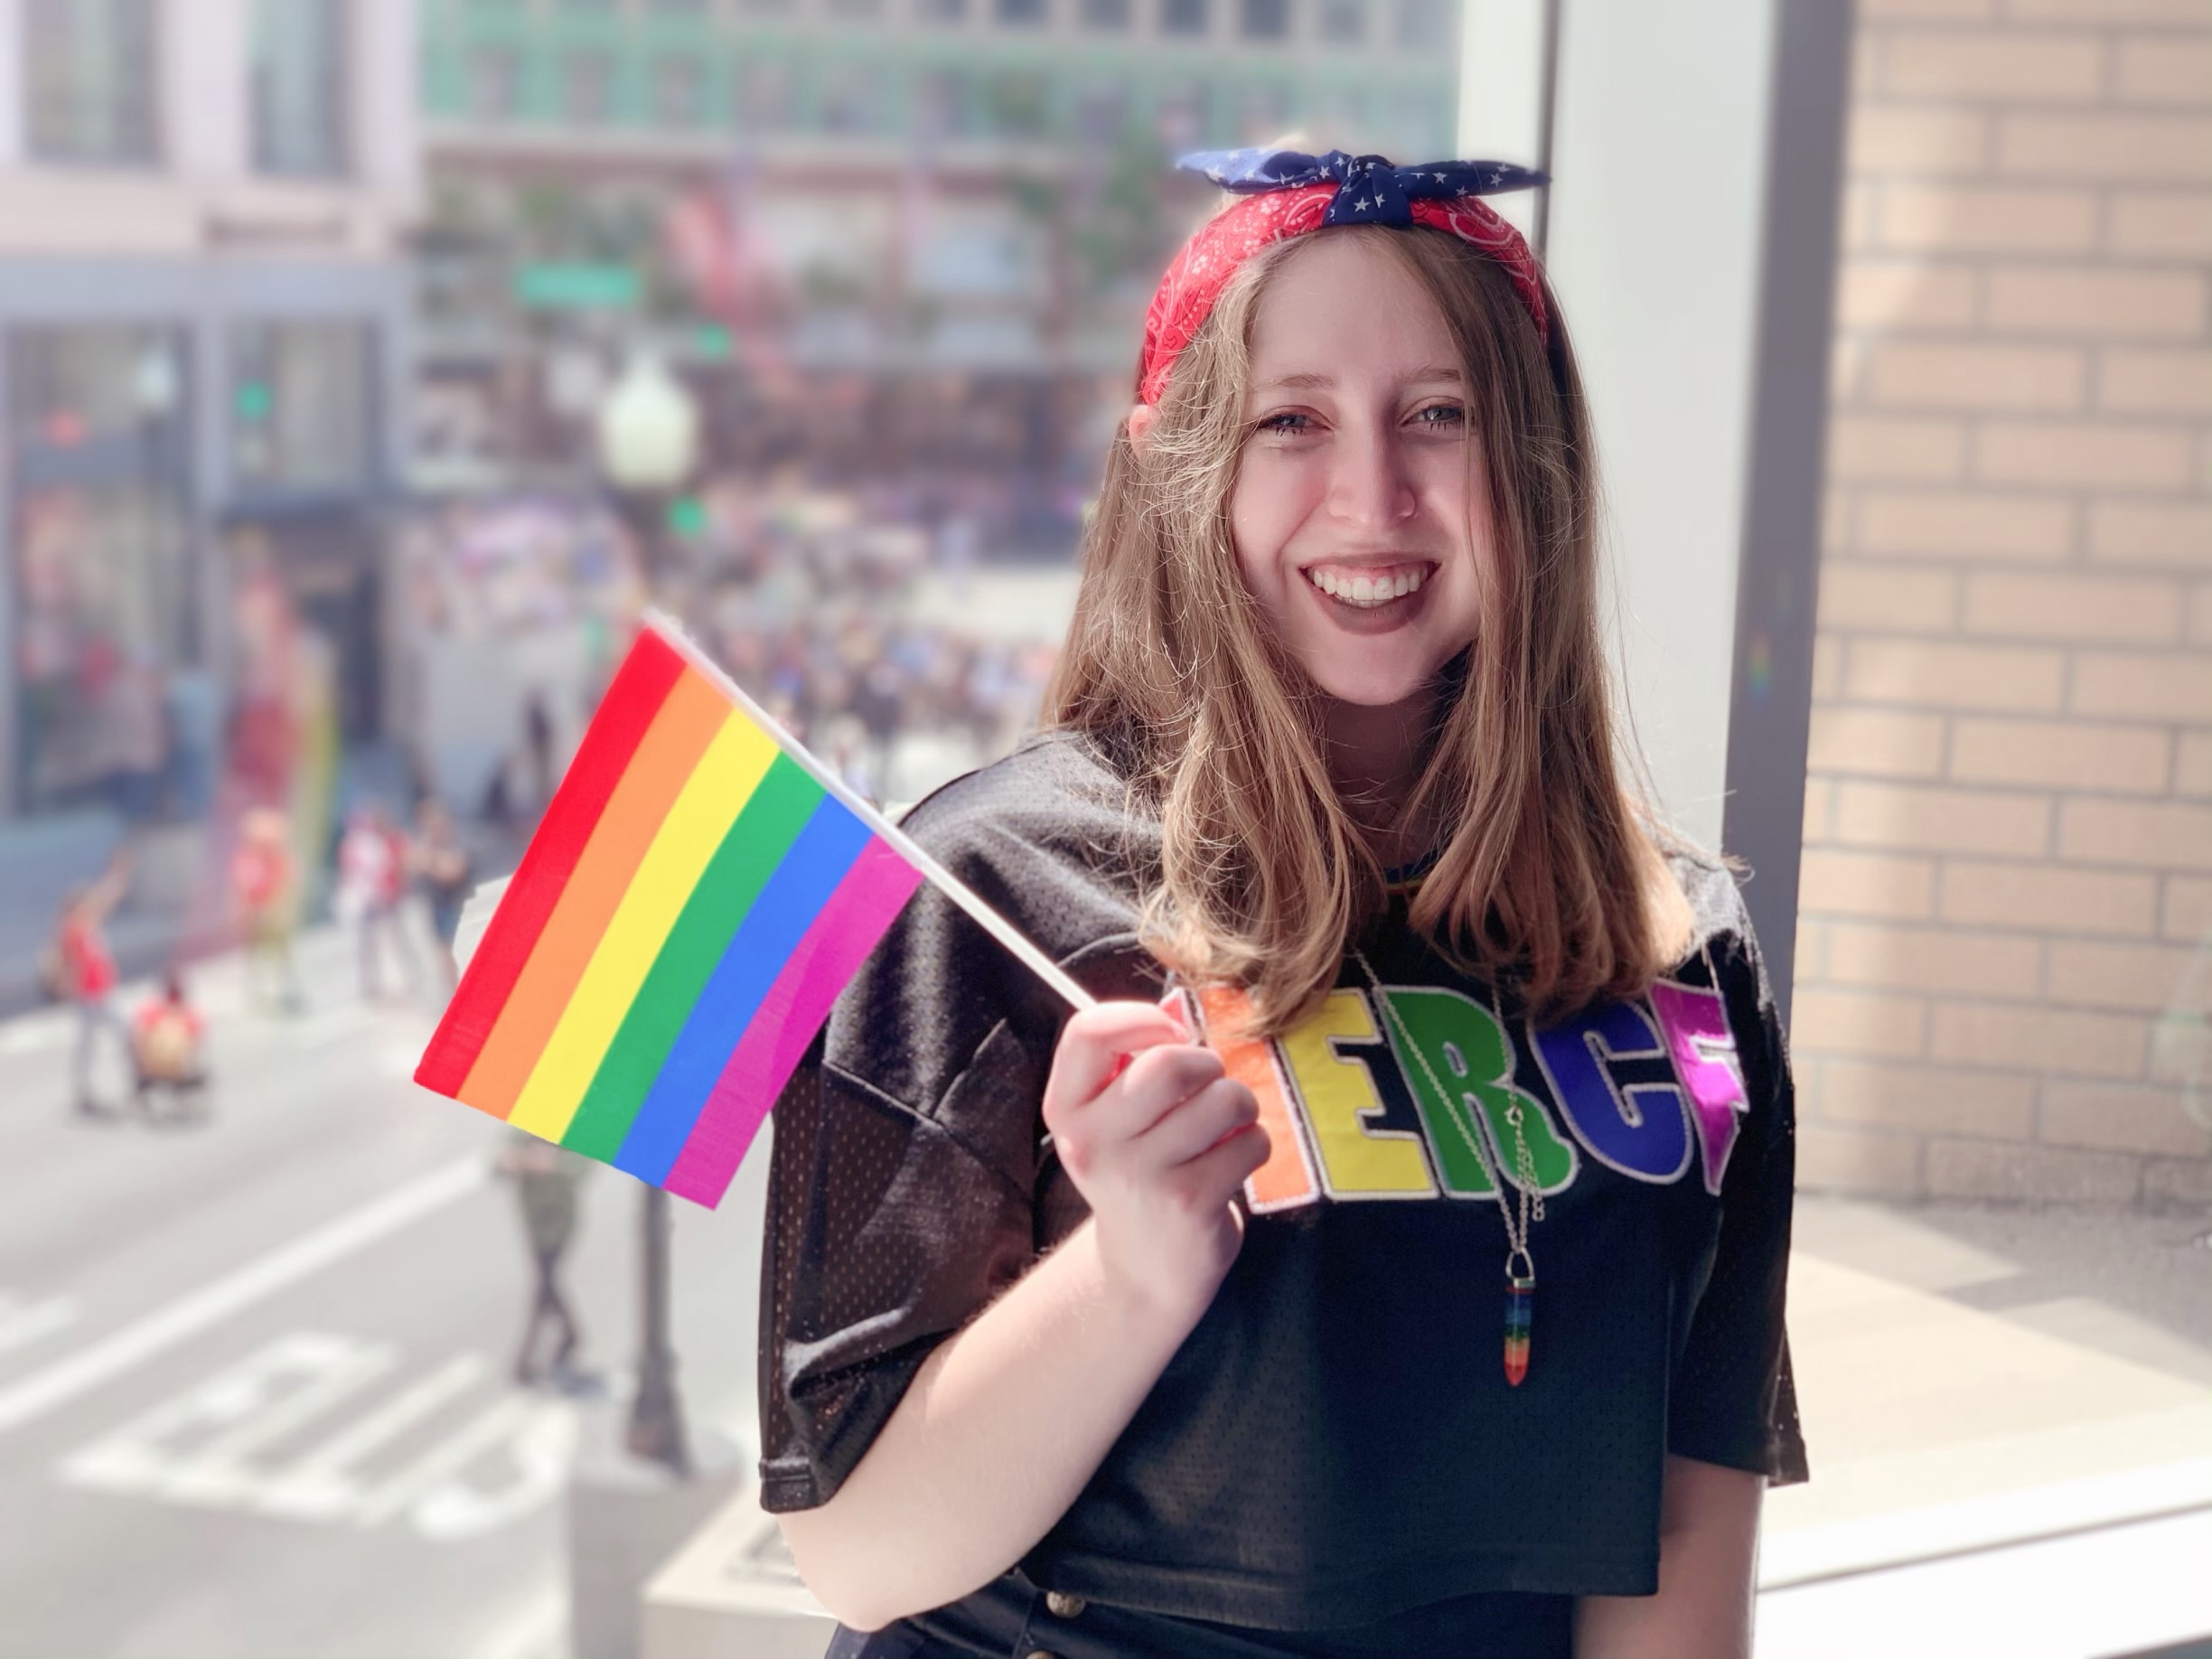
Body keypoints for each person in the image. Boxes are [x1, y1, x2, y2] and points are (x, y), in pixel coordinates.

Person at [758, 148, 1806, 1659]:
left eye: (1437, 415)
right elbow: (855, 1554)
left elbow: (1683, 1512)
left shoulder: (1678, 952)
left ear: (1536, 466)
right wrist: (1126, 1275)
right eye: (1289, 422)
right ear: (1182, 468)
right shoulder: (981, 888)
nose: (1370, 495)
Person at [495, 1130, 594, 1391]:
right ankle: (566, 1339)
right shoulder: (524, 1128)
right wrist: (514, 1161)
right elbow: (499, 1166)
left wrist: (553, 1163)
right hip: (533, 1221)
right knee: (545, 1286)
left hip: (559, 1221)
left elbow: (583, 1168)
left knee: (545, 1285)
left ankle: (533, 1355)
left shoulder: (576, 1129)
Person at [53, 849, 134, 1118]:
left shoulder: (88, 925)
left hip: (103, 992)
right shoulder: (72, 929)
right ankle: (84, 1089)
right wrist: (65, 985)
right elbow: (63, 963)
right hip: (90, 996)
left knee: (120, 1035)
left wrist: (118, 874)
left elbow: (106, 897)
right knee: (90, 1044)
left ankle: (135, 1080)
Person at [231, 806, 304, 1013]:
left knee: (281, 951)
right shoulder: (246, 858)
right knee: (253, 952)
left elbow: (287, 887)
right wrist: (242, 909)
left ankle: (284, 987)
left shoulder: (279, 860)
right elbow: (240, 887)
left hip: (272, 913)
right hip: (255, 913)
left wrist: (277, 909)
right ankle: (254, 987)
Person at [411, 797, 473, 986]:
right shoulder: (427, 845)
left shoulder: (456, 840)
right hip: (438, 907)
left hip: (460, 905)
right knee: (446, 957)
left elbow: (453, 872)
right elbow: (411, 865)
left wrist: (430, 862)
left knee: (468, 953)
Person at [131, 970, 209, 1120]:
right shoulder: (188, 1014)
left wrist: (141, 1064)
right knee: (199, 1070)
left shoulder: (151, 1011)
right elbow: (195, 1044)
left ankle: (142, 1094)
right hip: (178, 1071)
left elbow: (139, 1037)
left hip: (150, 1069)